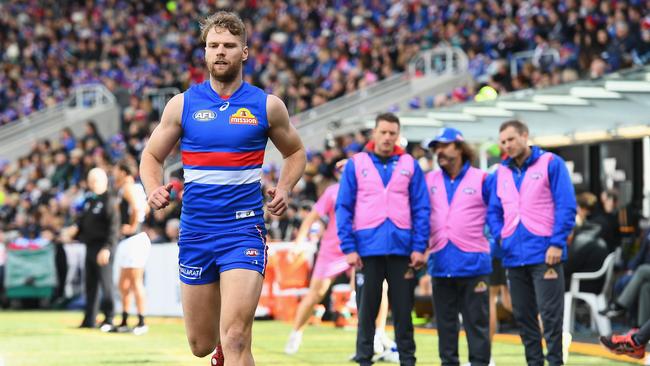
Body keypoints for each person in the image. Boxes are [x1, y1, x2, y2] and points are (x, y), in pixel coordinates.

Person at [139, 11, 305, 366]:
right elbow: (151, 155)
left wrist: (286, 188)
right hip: (196, 232)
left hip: (242, 231)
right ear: (204, 52)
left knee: (236, 336)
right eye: (213, 45)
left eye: (229, 46)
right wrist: (152, 188)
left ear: (244, 52)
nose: (220, 52)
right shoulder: (183, 104)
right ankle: (220, 354)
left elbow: (296, 152)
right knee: (201, 344)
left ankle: (232, 351)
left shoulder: (266, 105)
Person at [336, 112, 430, 366]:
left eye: (392, 133)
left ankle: (408, 360)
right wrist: (348, 247)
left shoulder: (410, 164)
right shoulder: (356, 164)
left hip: (402, 250)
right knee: (366, 312)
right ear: (374, 133)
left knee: (403, 313)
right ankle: (364, 359)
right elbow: (343, 207)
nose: (388, 137)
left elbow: (421, 208)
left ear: (398, 136)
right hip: (367, 249)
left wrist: (420, 247)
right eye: (383, 132)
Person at [284, 162, 397, 362]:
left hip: (361, 249)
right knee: (315, 294)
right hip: (332, 251)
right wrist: (299, 241)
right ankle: (296, 333)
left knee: (380, 286)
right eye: (344, 171)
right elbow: (312, 217)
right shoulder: (332, 192)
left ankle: (378, 334)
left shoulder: (369, 192)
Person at [487, 120, 576, 366]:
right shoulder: (500, 173)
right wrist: (500, 234)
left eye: (511, 139)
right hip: (513, 255)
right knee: (524, 318)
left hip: (546, 253)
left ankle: (556, 362)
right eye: (503, 141)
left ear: (525, 136)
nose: (507, 145)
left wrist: (557, 243)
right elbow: (493, 211)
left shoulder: (551, 163)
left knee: (550, 317)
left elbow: (566, 205)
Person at [425, 128, 493, 366]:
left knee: (478, 326)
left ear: (460, 147)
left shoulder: (483, 179)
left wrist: (489, 245)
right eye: (436, 148)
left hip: (474, 265)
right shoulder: (428, 180)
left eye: (444, 145)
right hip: (441, 264)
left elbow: (496, 216)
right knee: (445, 327)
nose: (439, 152)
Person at [64, 167, 120, 331]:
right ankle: (90, 319)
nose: (92, 183)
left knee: (106, 284)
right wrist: (75, 230)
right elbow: (82, 222)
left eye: (95, 180)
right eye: (90, 180)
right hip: (89, 246)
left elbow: (114, 227)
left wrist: (107, 247)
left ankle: (109, 318)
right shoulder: (90, 200)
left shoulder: (109, 199)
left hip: (103, 247)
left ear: (103, 181)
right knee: (90, 286)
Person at [112, 161, 151, 335]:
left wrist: (133, 225)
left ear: (122, 171)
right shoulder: (136, 187)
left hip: (133, 239)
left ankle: (142, 322)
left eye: (116, 170)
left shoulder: (128, 188)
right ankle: (125, 319)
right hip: (132, 240)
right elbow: (146, 207)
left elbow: (136, 207)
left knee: (134, 282)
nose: (113, 173)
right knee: (124, 283)